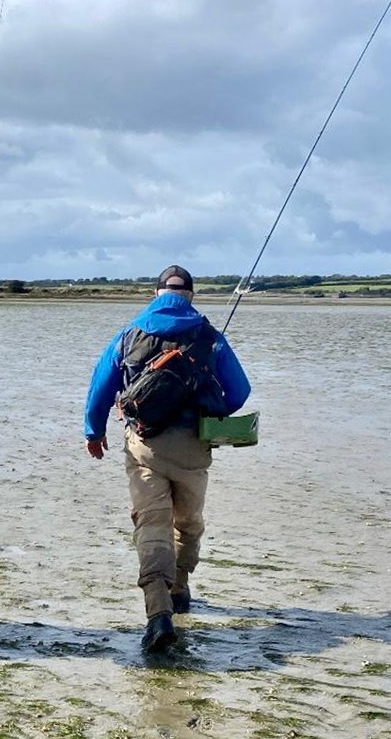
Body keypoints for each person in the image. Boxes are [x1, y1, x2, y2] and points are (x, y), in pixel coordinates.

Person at [83, 264, 251, 653]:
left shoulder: (129, 333)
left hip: (144, 446)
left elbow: (100, 386)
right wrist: (213, 408)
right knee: (188, 523)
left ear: (156, 294)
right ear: (190, 295)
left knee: (151, 525)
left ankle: (158, 614)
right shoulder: (209, 335)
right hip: (194, 447)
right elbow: (240, 392)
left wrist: (94, 433)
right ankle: (179, 588)